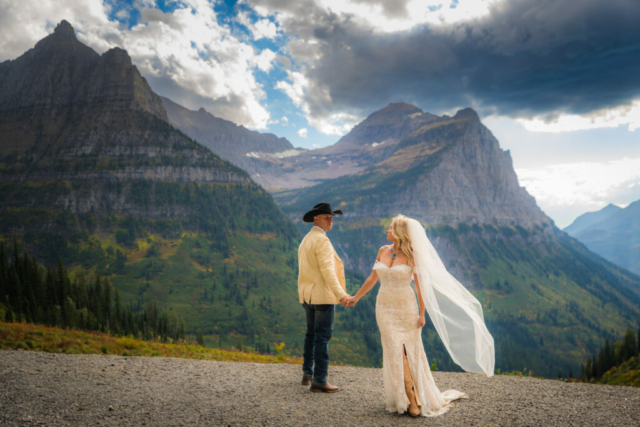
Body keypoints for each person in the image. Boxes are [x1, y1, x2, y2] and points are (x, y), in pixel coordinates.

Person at [348, 214, 495, 417]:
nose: (387, 231)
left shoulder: (413, 255)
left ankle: (415, 398)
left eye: (390, 228)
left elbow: (420, 286)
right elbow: (373, 278)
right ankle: (408, 397)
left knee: (407, 352)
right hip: (383, 307)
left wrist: (422, 313)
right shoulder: (382, 250)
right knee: (394, 350)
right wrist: (355, 297)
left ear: (399, 232)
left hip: (406, 307)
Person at [298, 203, 351, 393]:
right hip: (322, 296)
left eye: (331, 217)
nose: (330, 220)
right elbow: (328, 272)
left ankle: (307, 373)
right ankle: (320, 380)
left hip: (307, 295)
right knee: (322, 337)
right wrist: (341, 295)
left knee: (311, 334)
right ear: (316, 219)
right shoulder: (322, 241)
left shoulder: (307, 239)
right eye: (327, 217)